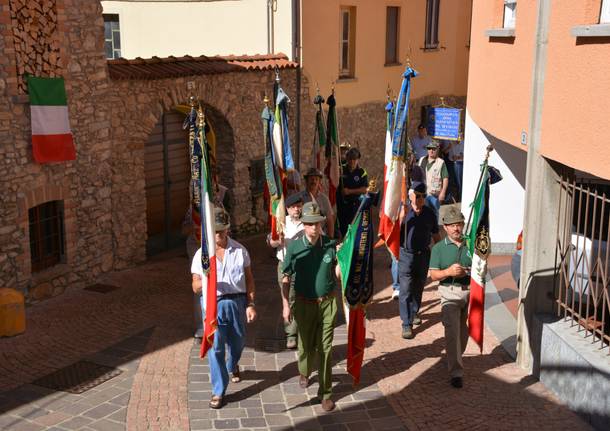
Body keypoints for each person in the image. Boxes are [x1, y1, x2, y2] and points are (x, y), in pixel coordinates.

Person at [191, 208, 257, 409]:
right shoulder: (202, 255)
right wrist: (207, 279)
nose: (218, 235)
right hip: (213, 304)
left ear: (228, 229)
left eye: (222, 230)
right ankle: (218, 390)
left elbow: (249, 280)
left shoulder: (240, 251)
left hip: (236, 302)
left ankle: (233, 363)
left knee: (238, 342)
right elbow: (195, 287)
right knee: (215, 347)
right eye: (215, 231)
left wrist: (251, 304)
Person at [281, 202, 340, 412]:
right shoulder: (295, 248)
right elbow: (285, 277)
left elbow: (338, 272)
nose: (314, 228)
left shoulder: (330, 245)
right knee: (305, 345)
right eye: (310, 224)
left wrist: (343, 262)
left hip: (327, 303)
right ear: (303, 225)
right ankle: (304, 370)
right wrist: (286, 305)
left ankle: (325, 393)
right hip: (304, 304)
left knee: (325, 348)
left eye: (318, 224)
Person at [429, 205, 472, 389]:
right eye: (452, 225)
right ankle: (456, 372)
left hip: (469, 291)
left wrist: (466, 271)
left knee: (464, 333)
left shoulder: (471, 245)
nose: (456, 228)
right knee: (452, 332)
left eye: (459, 224)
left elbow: (482, 269)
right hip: (449, 293)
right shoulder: (438, 249)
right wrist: (448, 271)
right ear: (445, 227)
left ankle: (455, 356)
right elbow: (433, 275)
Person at [397, 181, 441, 339]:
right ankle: (406, 324)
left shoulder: (430, 213)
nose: (420, 199)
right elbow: (393, 234)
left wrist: (440, 254)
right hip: (406, 256)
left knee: (418, 286)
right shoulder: (403, 212)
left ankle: (414, 312)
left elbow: (436, 235)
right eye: (417, 195)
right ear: (410, 196)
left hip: (423, 255)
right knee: (406, 289)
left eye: (423, 196)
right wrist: (401, 218)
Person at [268, 192, 305, 349]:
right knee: (289, 298)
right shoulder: (281, 222)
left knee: (300, 298)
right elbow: (271, 242)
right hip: (285, 265)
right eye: (294, 207)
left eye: (299, 206)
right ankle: (290, 334)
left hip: (303, 264)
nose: (297, 209)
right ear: (287, 209)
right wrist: (278, 240)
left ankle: (300, 329)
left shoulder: (307, 221)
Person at [390, 153, 426, 300]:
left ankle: (408, 283)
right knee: (395, 256)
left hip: (412, 210)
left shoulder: (417, 170)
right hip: (397, 215)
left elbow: (421, 188)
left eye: (409, 156)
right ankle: (397, 286)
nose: (407, 159)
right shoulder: (395, 172)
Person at [337, 147, 368, 237]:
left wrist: (349, 191)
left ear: (358, 160)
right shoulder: (340, 170)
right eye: (350, 159)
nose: (352, 161)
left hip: (355, 206)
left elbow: (365, 189)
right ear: (347, 159)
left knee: (354, 229)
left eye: (355, 159)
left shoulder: (362, 172)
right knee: (343, 229)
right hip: (342, 206)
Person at [418, 140, 449, 217]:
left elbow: (445, 178)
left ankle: (434, 229)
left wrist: (443, 193)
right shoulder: (422, 160)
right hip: (422, 193)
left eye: (433, 149)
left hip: (434, 195)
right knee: (422, 214)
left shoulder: (441, 162)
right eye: (429, 148)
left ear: (437, 150)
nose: (431, 151)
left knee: (434, 214)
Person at [303, 167, 335, 238]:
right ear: (306, 181)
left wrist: (330, 238)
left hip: (321, 235)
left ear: (319, 182)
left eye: (316, 179)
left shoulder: (324, 199)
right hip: (303, 236)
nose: (314, 181)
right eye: (311, 179)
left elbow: (330, 219)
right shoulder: (300, 198)